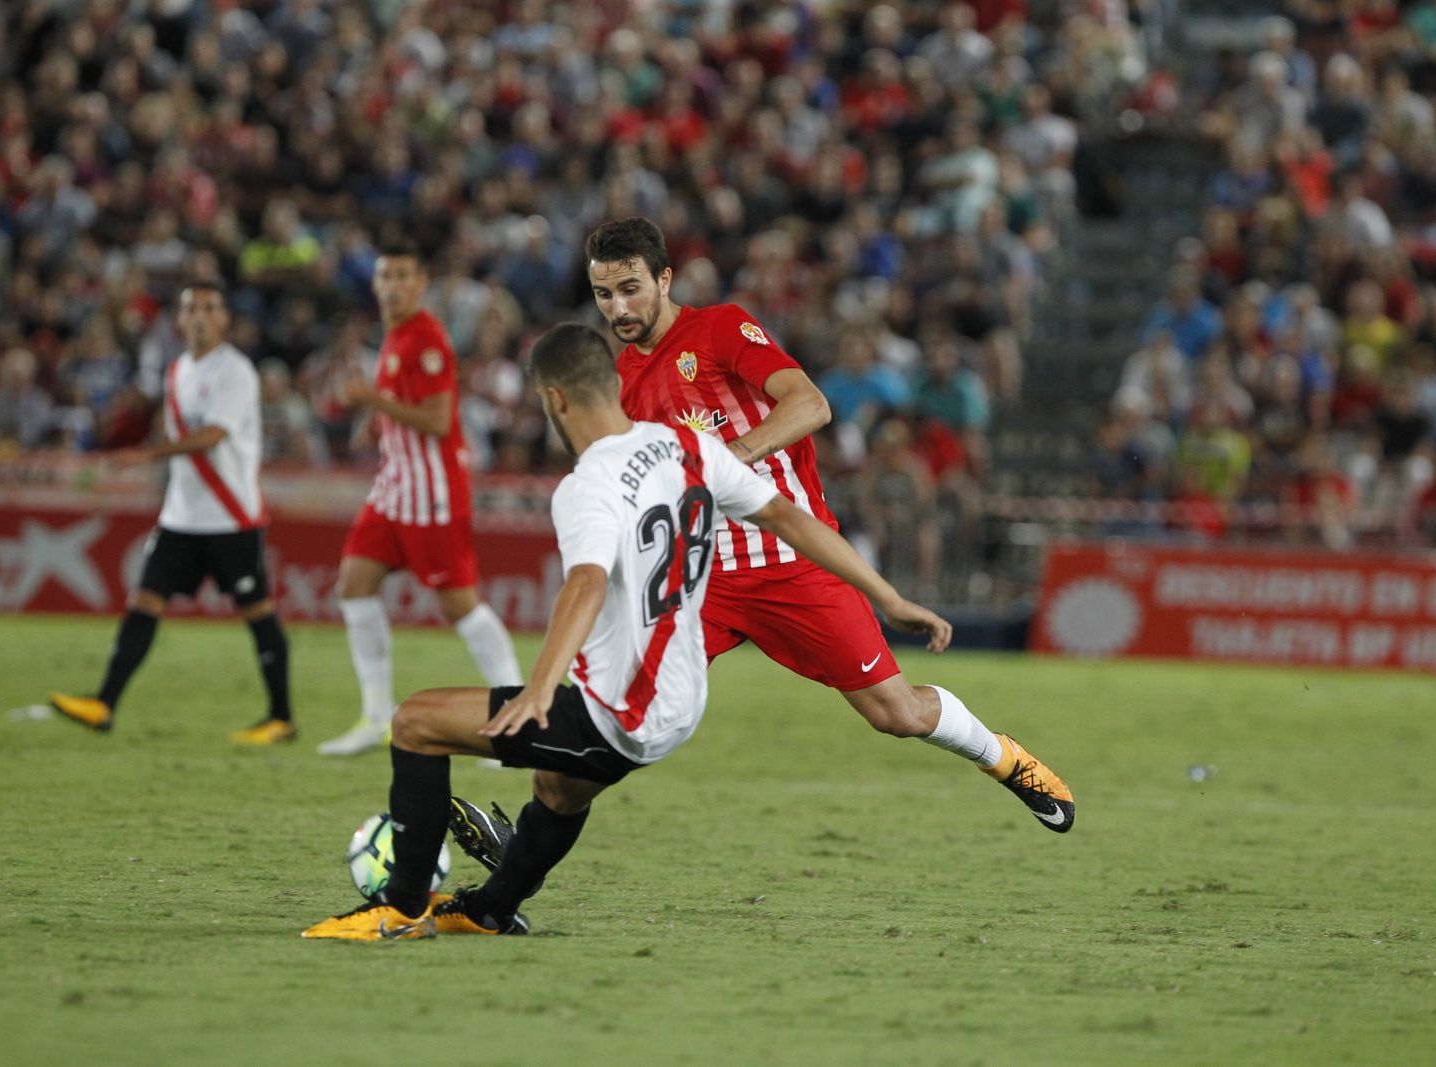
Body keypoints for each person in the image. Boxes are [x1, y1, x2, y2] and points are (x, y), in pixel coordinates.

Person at [302, 323, 964, 939]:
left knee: (416, 722)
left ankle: (399, 905)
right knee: (558, 789)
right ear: (615, 385)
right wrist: (888, 597)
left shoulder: (587, 485)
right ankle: (492, 910)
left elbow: (585, 585)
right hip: (682, 696)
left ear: (554, 400)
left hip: (621, 711)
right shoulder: (688, 448)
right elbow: (790, 517)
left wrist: (539, 689)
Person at [581, 218, 1073, 831]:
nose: (618, 307)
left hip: (794, 561)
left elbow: (811, 404)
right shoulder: (624, 382)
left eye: (630, 289)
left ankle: (1005, 759)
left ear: (664, 278)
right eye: (604, 294)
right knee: (624, 707)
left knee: (896, 713)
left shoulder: (720, 328)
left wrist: (731, 459)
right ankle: (524, 838)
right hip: (703, 577)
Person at [48, 281, 296, 744]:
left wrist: (147, 454)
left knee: (257, 611)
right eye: (191, 308)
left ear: (224, 318)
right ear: (179, 320)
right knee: (144, 601)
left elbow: (214, 435)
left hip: (230, 515)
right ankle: (104, 703)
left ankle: (281, 717)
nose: (200, 316)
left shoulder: (236, 371)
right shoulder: (178, 369)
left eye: (209, 307)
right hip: (181, 515)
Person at [317, 244, 522, 756]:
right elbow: (404, 406)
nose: (391, 286)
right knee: (354, 586)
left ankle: (519, 719)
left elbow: (436, 419)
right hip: (394, 487)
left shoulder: (426, 338)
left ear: (421, 283)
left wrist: (372, 401)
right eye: (384, 276)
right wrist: (377, 422)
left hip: (432, 493)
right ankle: (375, 716)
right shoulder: (396, 335)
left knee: (460, 606)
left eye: (402, 276)